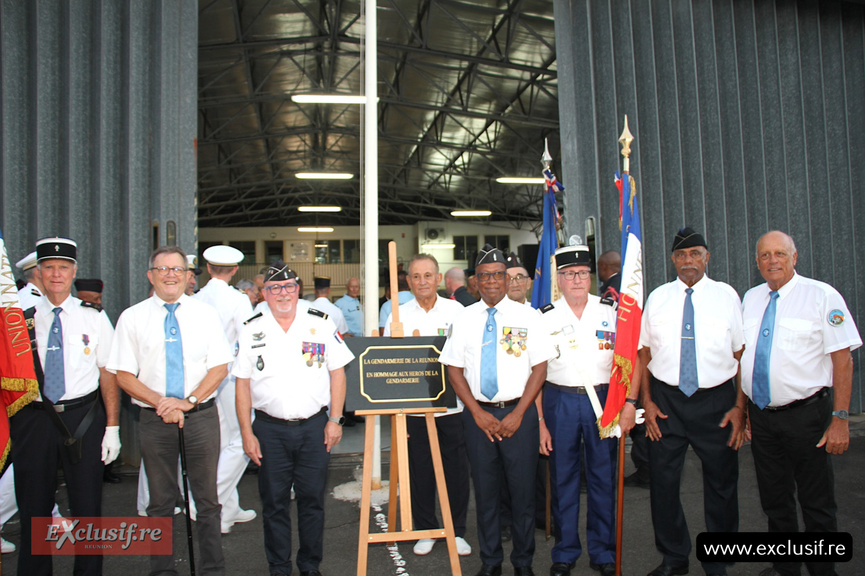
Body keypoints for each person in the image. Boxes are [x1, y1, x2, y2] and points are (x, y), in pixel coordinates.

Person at [740, 231, 861, 576]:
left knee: (816, 500)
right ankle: (786, 567)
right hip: (762, 417)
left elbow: (844, 361)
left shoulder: (822, 296)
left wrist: (840, 418)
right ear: (757, 261)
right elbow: (746, 358)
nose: (772, 261)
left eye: (780, 253)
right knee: (774, 500)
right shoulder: (751, 298)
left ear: (795, 257)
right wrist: (746, 410)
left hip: (807, 416)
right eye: (764, 255)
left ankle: (823, 571)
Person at [109, 246, 232, 575]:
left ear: (188, 276)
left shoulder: (205, 315)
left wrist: (188, 401)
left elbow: (220, 366)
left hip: (201, 417)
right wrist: (160, 402)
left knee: (207, 502)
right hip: (155, 419)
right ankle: (162, 571)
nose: (170, 275)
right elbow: (122, 373)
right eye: (162, 269)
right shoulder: (132, 317)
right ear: (151, 275)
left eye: (177, 269)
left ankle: (212, 570)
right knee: (160, 504)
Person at [440, 244, 556, 576]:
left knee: (522, 495)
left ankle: (523, 563)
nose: (491, 281)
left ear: (507, 279)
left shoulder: (528, 317)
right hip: (479, 417)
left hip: (519, 415)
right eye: (484, 276)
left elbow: (540, 369)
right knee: (486, 494)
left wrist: (519, 413)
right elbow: (454, 370)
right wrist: (476, 413)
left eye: (498, 275)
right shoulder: (463, 319)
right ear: (475, 281)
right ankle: (490, 563)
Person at [234, 260, 353, 576]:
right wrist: (246, 432)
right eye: (274, 288)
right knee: (274, 504)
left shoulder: (320, 322)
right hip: (269, 430)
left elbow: (338, 373)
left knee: (312, 501)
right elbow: (242, 383)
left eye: (288, 287)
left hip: (315, 427)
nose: (282, 293)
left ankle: (310, 564)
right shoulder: (251, 326)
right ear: (264, 293)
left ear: (298, 290)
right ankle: (279, 566)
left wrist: (335, 420)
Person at [638, 228, 746, 576]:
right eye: (682, 255)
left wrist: (740, 408)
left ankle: (718, 559)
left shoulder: (727, 296)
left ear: (707, 257)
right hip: (666, 400)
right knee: (663, 485)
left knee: (721, 483)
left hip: (716, 401)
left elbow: (742, 355)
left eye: (695, 254)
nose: (688, 261)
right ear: (672, 259)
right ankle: (674, 558)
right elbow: (643, 353)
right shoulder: (657, 297)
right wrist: (647, 403)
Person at [11, 237, 120, 576]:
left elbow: (108, 373)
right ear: (38, 274)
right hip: (34, 420)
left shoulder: (94, 317)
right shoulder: (19, 319)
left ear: (73, 273)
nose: (56, 274)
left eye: (63, 268)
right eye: (48, 268)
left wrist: (113, 427)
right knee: (34, 507)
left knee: (87, 506)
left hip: (82, 418)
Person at [537, 244, 639, 576]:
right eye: (569, 274)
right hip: (560, 400)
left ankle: (603, 550)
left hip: (604, 400)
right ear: (559, 280)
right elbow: (534, 373)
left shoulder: (611, 310)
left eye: (582, 273)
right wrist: (539, 421)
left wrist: (628, 404)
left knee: (602, 477)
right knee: (563, 477)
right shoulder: (545, 316)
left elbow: (631, 360)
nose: (577, 280)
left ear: (590, 277)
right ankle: (565, 552)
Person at [384, 254, 471, 557]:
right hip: (414, 409)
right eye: (416, 276)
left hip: (452, 406)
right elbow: (389, 366)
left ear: (438, 278)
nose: (422, 281)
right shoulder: (397, 315)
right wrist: (398, 413)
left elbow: (466, 357)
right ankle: (425, 529)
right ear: (408, 281)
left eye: (428, 275)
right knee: (419, 471)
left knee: (456, 471)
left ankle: (456, 530)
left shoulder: (458, 311)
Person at [194, 245, 257, 533]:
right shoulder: (238, 299)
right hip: (231, 377)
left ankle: (227, 510)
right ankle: (211, 501)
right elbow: (248, 341)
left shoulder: (195, 298)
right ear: (234, 271)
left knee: (221, 443)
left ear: (208, 268)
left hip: (204, 379)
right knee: (242, 441)